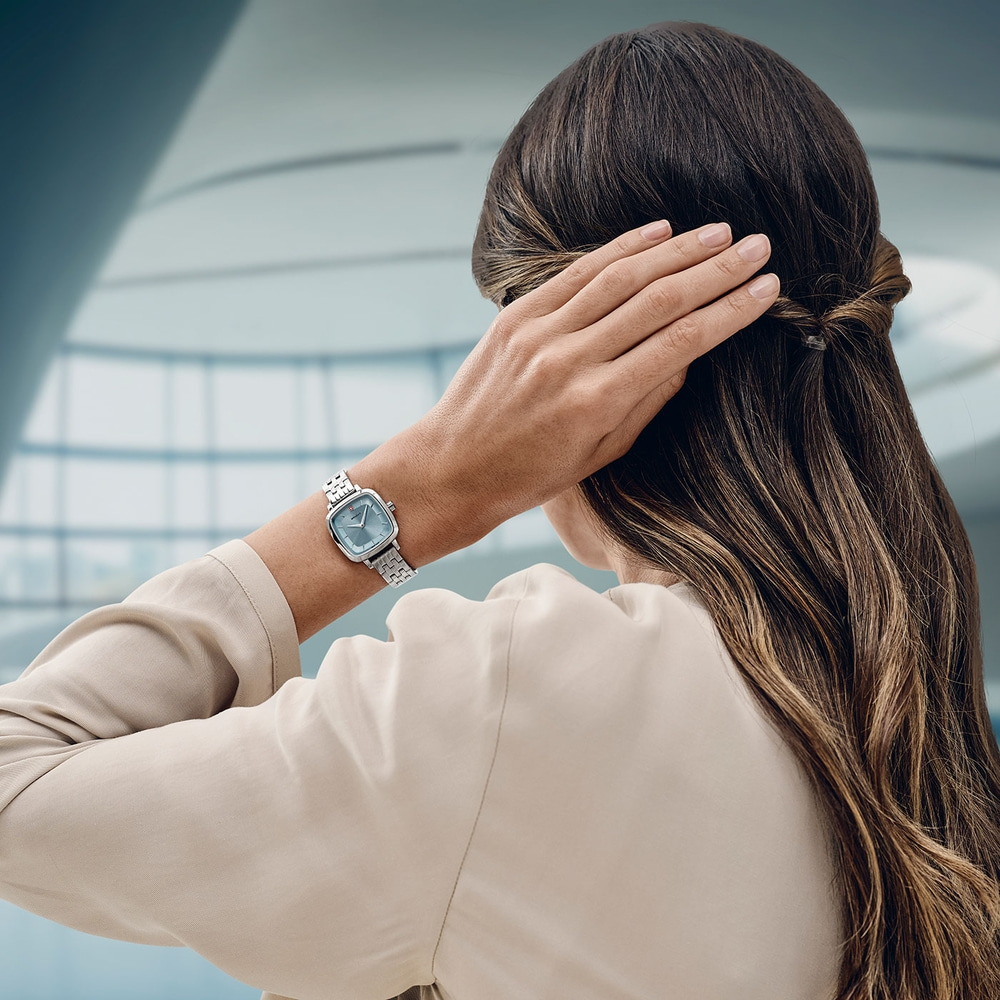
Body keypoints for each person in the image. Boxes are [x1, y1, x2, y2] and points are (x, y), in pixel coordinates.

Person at [1, 20, 997, 1000]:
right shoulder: (922, 679)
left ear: (559, 354)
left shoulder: (508, 696)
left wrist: (425, 488)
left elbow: (17, 779)